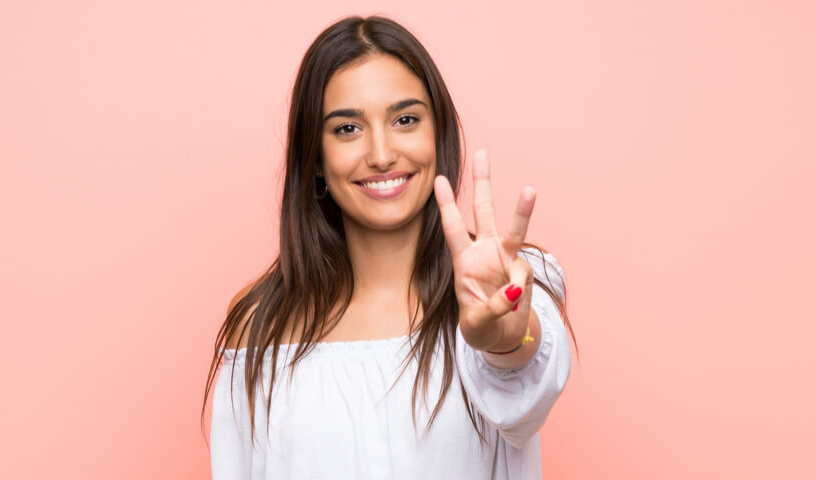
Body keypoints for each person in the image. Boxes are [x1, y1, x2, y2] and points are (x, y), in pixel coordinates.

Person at [202, 15, 576, 479]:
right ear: (315, 158)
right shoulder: (259, 323)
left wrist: (501, 341)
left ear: (437, 136)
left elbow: (524, 399)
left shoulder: (505, 281)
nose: (381, 154)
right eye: (347, 129)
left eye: (405, 120)